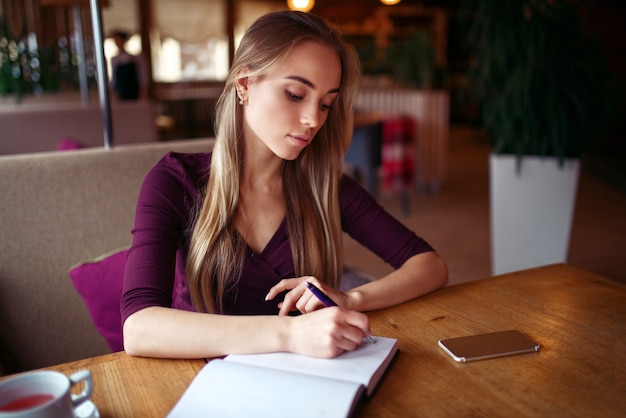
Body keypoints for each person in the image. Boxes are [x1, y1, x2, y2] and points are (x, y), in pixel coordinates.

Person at [121, 10, 448, 360]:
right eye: (295, 94)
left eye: (326, 104)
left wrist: (352, 298)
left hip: (305, 378)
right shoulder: (175, 181)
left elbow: (430, 265)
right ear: (244, 85)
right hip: (202, 376)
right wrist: (289, 333)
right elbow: (139, 328)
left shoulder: (323, 185)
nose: (313, 120)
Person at [109, 30, 148, 100]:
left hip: (134, 93)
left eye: (118, 40)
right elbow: (114, 79)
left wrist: (143, 96)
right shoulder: (115, 59)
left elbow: (143, 78)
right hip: (121, 94)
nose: (116, 43)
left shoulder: (137, 58)